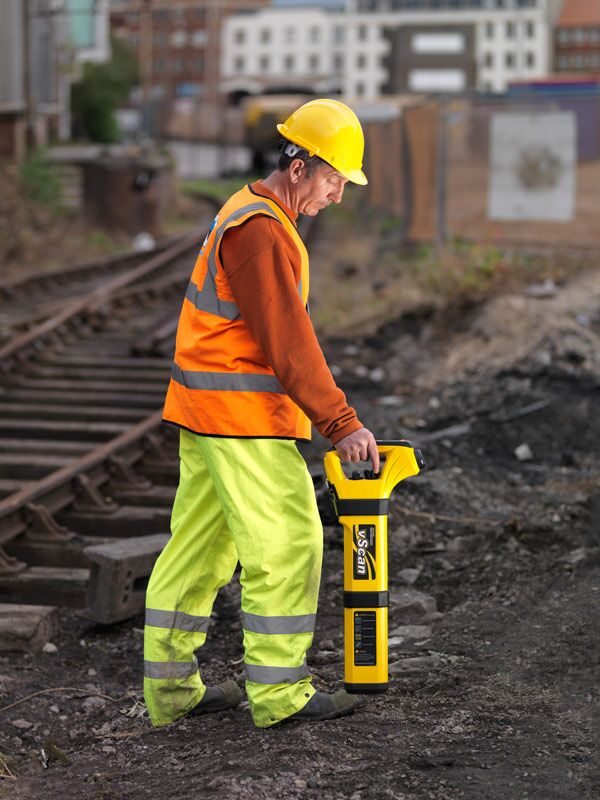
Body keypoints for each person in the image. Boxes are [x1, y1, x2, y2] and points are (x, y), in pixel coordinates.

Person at [143, 98, 379, 729]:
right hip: (241, 418)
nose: (337, 195)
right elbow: (288, 343)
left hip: (209, 411)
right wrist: (342, 421)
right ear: (299, 167)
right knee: (289, 542)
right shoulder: (262, 231)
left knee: (198, 552)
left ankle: (170, 693)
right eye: (333, 180)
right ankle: (280, 695)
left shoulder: (252, 213)